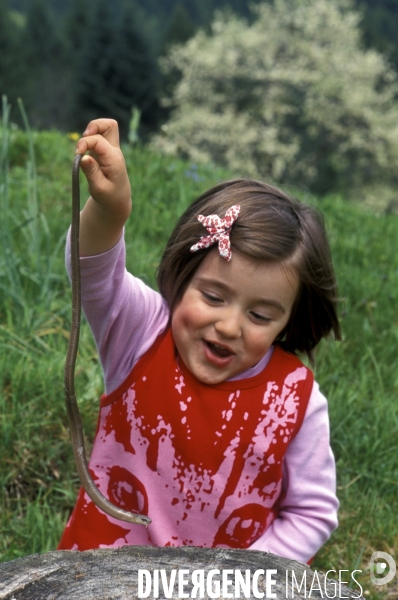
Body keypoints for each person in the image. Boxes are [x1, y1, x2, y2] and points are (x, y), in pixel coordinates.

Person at [58, 119, 341, 562]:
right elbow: (91, 269)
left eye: (260, 314)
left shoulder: (296, 401)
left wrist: (243, 579)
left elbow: (312, 513)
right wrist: (110, 212)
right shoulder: (143, 333)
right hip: (96, 575)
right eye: (213, 296)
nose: (229, 326)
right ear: (182, 277)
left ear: (288, 319)